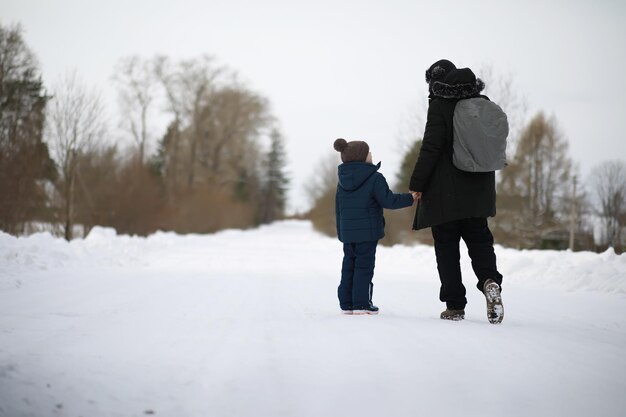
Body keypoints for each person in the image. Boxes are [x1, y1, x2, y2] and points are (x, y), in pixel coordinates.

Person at [409, 59, 504, 324]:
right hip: (478, 192)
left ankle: (455, 306)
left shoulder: (440, 106)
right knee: (480, 242)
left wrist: (417, 184)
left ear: (436, 82)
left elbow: (431, 148)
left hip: (444, 194)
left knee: (447, 249)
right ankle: (490, 281)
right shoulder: (481, 104)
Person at [334, 138, 416, 315]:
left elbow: (338, 209)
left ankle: (347, 304)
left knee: (348, 265)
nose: (371, 154)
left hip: (348, 234)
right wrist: (411, 198)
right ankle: (361, 304)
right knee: (364, 267)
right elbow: (389, 200)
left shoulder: (342, 180)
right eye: (368, 152)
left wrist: (341, 232)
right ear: (362, 157)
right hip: (368, 233)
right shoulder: (374, 177)